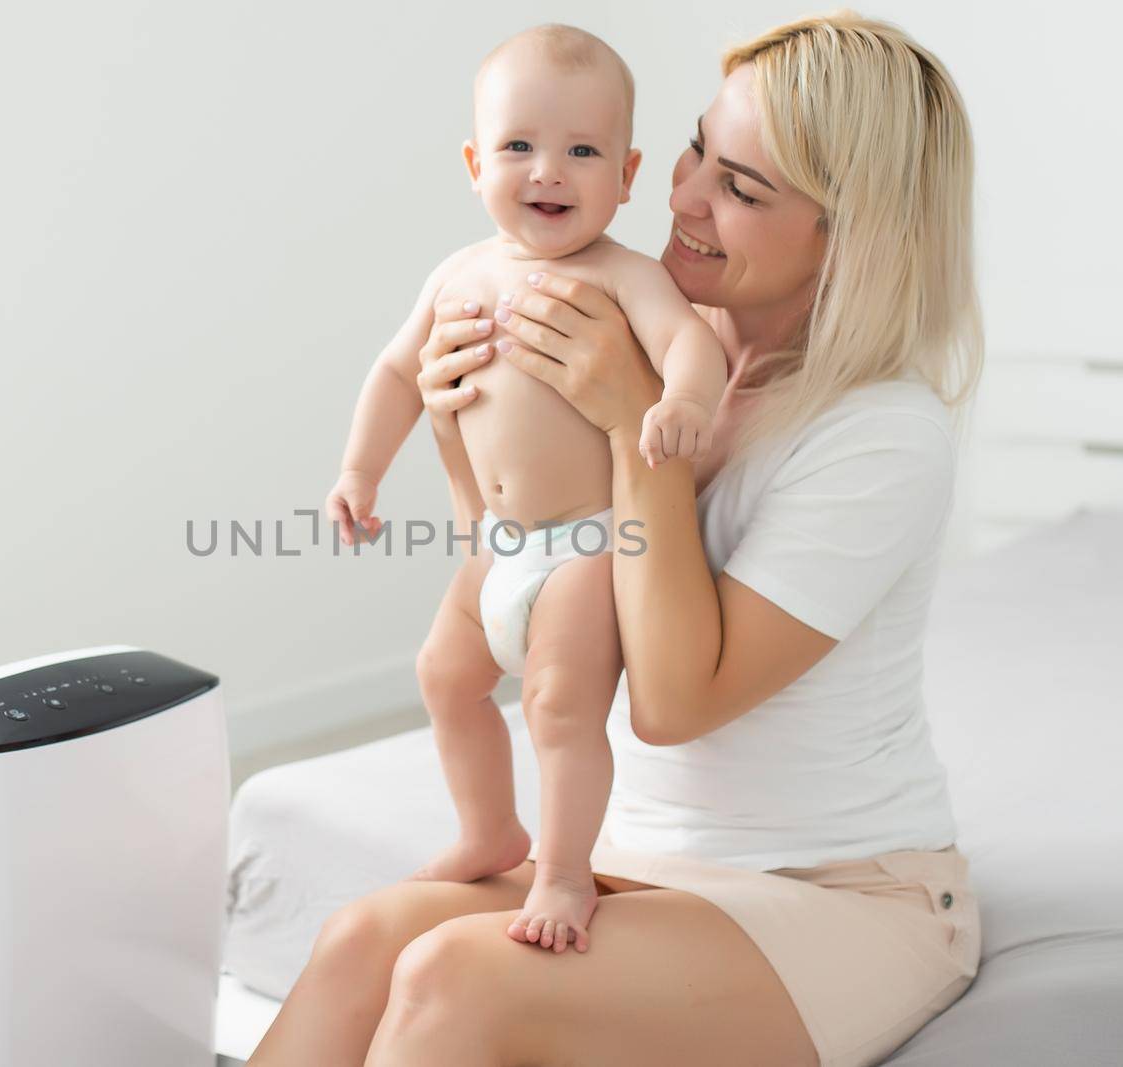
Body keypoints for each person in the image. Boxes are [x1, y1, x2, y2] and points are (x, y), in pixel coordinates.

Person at [255, 10, 984, 1066]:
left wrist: (631, 424)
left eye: (742, 188)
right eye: (696, 149)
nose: (683, 197)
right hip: (639, 853)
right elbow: (515, 552)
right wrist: (453, 429)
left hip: (836, 888)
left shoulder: (879, 434)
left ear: (851, 231)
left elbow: (674, 701)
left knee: (449, 977)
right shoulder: (659, 329)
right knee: (360, 937)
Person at [323, 23, 727, 952]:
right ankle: (487, 829)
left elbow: (688, 344)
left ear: (626, 176)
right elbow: (396, 374)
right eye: (520, 146)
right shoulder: (459, 272)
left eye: (582, 151)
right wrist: (358, 469)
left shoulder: (625, 276)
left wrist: (687, 399)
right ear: (475, 163)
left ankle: (561, 869)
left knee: (557, 704)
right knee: (444, 677)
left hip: (591, 546)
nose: (549, 170)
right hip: (495, 548)